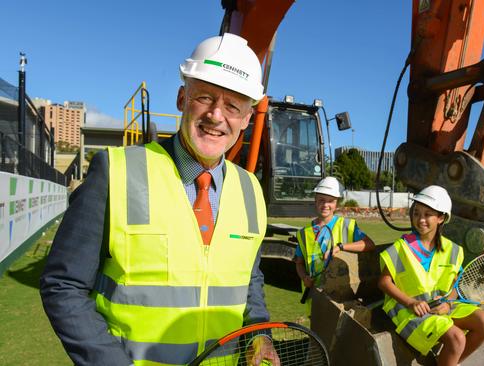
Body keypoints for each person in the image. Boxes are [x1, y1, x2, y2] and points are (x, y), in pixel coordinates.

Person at [40, 33, 278, 366]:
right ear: (183, 98)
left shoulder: (252, 190)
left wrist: (258, 332)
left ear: (247, 119)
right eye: (206, 97)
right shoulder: (116, 172)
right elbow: (63, 284)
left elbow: (248, 280)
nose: (216, 115)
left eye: (233, 106)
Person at [377, 185, 484, 366]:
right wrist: (411, 302)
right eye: (416, 213)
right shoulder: (402, 247)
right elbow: (384, 282)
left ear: (441, 218)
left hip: (441, 308)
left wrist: (448, 303)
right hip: (410, 312)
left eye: (427, 214)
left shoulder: (453, 250)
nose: (420, 220)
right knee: (457, 338)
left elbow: (456, 283)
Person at [294, 176, 376, 314]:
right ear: (315, 200)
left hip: (341, 297)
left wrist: (340, 247)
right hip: (315, 296)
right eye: (321, 200)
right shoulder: (303, 233)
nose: (325, 205)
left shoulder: (347, 225)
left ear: (336, 203)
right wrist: (304, 278)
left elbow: (369, 244)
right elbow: (299, 263)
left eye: (330, 201)